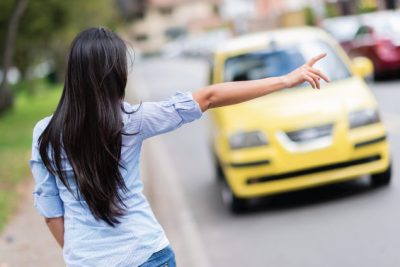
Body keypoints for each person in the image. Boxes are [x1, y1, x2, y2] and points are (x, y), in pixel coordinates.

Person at [29, 27, 329, 267]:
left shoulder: (45, 134)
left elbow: (51, 213)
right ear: (115, 74)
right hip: (146, 254)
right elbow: (209, 96)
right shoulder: (133, 121)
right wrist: (286, 80)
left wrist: (84, 254)